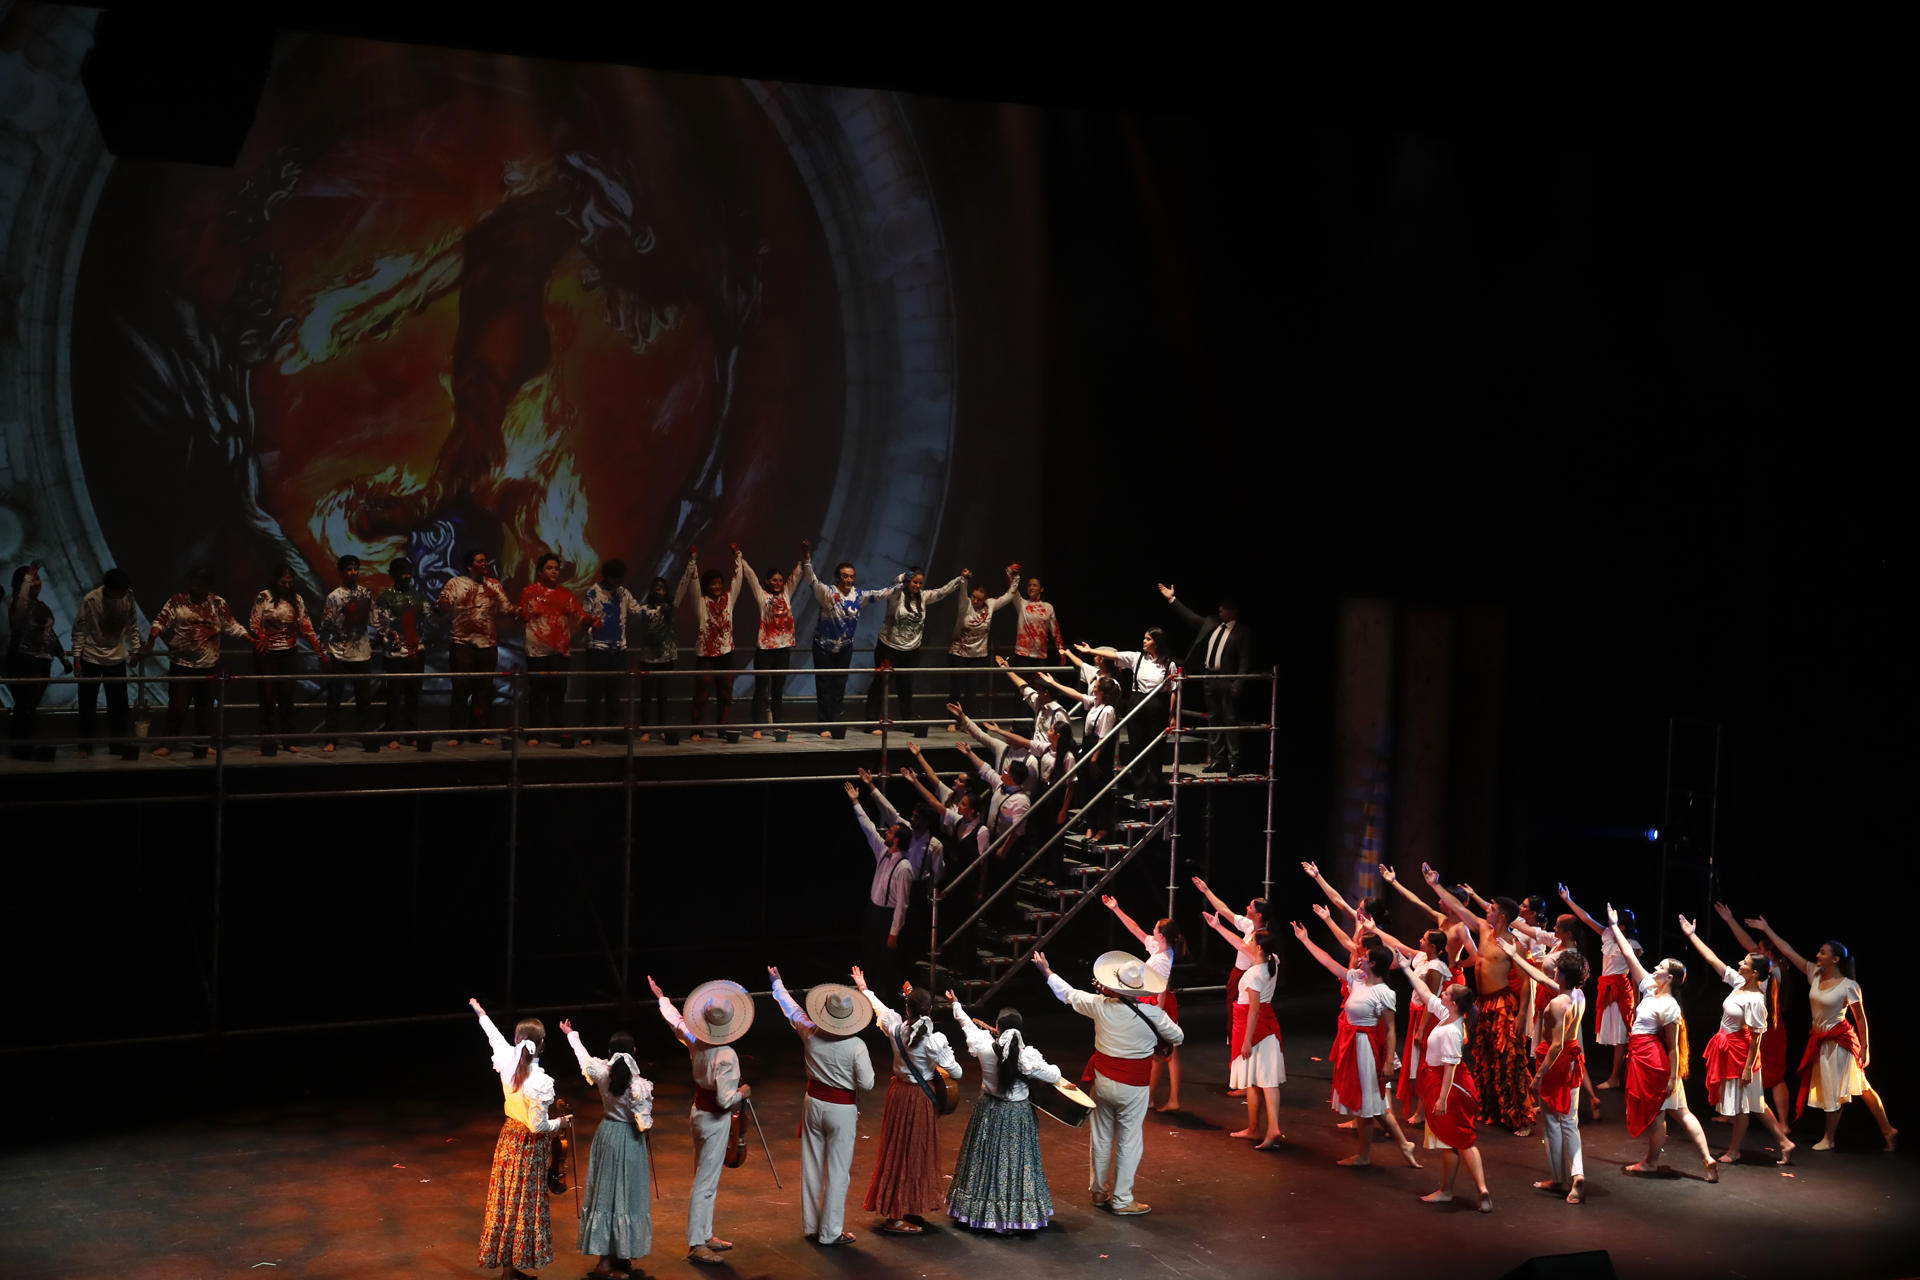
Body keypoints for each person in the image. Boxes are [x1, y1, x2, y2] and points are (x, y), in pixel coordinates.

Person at [1031, 948, 1185, 1216]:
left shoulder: (1100, 1006)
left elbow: (1068, 994)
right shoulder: (1154, 1015)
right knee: (1129, 1139)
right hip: (1134, 1086)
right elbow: (1178, 1037)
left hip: (1103, 1080)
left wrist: (1047, 971)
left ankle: (1098, 1191)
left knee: (1101, 1136)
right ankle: (1123, 1199)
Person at [1745, 914, 1897, 1152]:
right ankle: (1888, 1129)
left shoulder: (1849, 985)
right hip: (1821, 1040)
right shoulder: (1813, 973)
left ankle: (1829, 1138)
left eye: (1823, 952)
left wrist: (1865, 1047)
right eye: (1819, 952)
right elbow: (1787, 949)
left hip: (1841, 1041)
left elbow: (1860, 1019)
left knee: (1836, 1089)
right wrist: (1767, 928)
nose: (1818, 955)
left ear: (1835, 959)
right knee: (1861, 1087)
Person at [1294, 915, 1421, 1167]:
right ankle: (1398, 1146)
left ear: (1373, 964)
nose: (1359, 956)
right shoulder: (1356, 979)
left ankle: (1372, 1153)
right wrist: (1305, 940)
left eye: (1365, 957)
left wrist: (1387, 1062)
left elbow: (1390, 1029)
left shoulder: (1384, 992)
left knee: (1370, 1103)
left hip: (1366, 1048)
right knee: (1369, 1103)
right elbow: (1329, 963)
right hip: (1352, 1045)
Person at [1605, 904, 1718, 1181]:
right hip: (1646, 1058)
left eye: (1661, 966)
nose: (1655, 966)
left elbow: (1673, 1046)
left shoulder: (1669, 1006)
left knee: (1660, 1115)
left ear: (1669, 978)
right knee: (1681, 1112)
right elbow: (1629, 954)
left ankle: (1652, 1162)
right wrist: (1615, 926)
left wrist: (1671, 1077)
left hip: (1655, 1063)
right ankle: (1706, 1159)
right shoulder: (1647, 988)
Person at [649, 975, 753, 1266]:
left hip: (698, 1114)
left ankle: (705, 1234)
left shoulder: (696, 1039)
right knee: (705, 1183)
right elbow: (724, 1099)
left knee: (705, 1178)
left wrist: (662, 997)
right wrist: (742, 1093)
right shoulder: (726, 1054)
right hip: (715, 1118)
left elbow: (676, 1021)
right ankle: (697, 1242)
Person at [767, 966, 874, 1247]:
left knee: (812, 1166)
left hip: (813, 1103)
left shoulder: (810, 1033)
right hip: (841, 1109)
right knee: (838, 1171)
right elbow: (868, 1083)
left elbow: (792, 1010)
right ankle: (830, 1231)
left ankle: (812, 1226)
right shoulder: (856, 1045)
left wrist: (777, 984)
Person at [1425, 867, 1538, 1134]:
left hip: (1503, 1006)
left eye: (1492, 908)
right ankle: (1492, 1110)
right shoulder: (1484, 930)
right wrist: (1435, 886)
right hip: (1483, 1004)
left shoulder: (1513, 943)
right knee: (1485, 1059)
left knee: (1510, 1061)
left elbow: (1524, 982)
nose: (1487, 910)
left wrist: (1523, 1014)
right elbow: (1457, 909)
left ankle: (1519, 1117)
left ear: (1502, 916)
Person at [852, 968, 963, 1236]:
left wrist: (864, 988)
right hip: (920, 1098)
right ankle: (896, 1217)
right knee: (914, 1151)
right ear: (930, 1011)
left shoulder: (895, 1026)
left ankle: (903, 1206)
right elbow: (957, 1072)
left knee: (898, 1151)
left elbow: (879, 1009)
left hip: (899, 1094)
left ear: (907, 1007)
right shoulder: (934, 1040)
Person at [1678, 914, 1796, 1165]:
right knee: (1754, 1101)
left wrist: (1747, 1067)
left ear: (1754, 973)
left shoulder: (1755, 999)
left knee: (1745, 1104)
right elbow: (1712, 959)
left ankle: (1735, 1150)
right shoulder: (1740, 982)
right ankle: (1784, 1142)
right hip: (1729, 1047)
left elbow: (1756, 1039)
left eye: (1744, 962)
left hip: (1741, 1052)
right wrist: (1691, 935)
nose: (1739, 962)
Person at [468, 997, 573, 1279]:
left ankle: (508, 1269)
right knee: (522, 1206)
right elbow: (538, 1126)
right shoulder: (539, 1080)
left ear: (516, 1040)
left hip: (508, 1139)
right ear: (541, 1045)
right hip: (528, 1146)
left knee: (506, 1203)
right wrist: (561, 1122)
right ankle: (510, 1269)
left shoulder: (506, 1062)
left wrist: (480, 1013)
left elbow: (493, 1035)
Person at [944, 994, 1062, 1233]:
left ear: (997, 1027)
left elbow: (965, 1022)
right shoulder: (1027, 1056)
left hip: (989, 1109)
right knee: (1015, 1164)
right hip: (1018, 1116)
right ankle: (1013, 1216)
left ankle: (980, 1213)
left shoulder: (984, 1045)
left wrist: (955, 1003)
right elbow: (1055, 1076)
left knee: (985, 1160)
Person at [1392, 955, 1492, 1212]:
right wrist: (1405, 967)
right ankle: (1472, 1190)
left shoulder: (1452, 1030)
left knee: (1456, 1141)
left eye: (1446, 993)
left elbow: (1450, 1068)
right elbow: (1424, 992)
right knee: (1459, 1140)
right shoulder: (1446, 1015)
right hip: (1443, 1083)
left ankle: (1452, 1191)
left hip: (1450, 1087)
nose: (1442, 993)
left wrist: (1441, 1099)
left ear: (1454, 1002)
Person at [560, 1017, 655, 1277]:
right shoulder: (638, 1085)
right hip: (629, 1139)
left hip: (607, 1134)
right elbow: (644, 1122)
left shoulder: (603, 1073)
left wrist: (571, 1035)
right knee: (622, 1194)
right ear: (634, 1052)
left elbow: (584, 1058)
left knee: (607, 1193)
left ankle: (615, 1256)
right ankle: (606, 1262)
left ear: (610, 1053)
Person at [1200, 912, 1284, 1145]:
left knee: (1266, 1081)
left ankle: (1273, 1128)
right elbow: (1239, 943)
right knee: (1256, 1082)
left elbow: (1254, 1010)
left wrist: (1246, 1040)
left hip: (1257, 1029)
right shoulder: (1272, 961)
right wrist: (1217, 926)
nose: (1246, 941)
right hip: (1263, 1025)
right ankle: (1255, 1128)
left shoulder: (1253, 974)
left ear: (1258, 948)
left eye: (1251, 940)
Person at [146, 567, 249, 756]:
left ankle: (202, 743)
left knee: (206, 707)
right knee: (177, 706)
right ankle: (168, 743)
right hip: (182, 664)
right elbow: (162, 620)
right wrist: (153, 636)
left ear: (208, 586)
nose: (196, 588)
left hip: (208, 664)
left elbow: (232, 626)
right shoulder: (178, 601)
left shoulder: (217, 604)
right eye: (193, 584)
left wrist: (251, 640)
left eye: (200, 585)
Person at [1102, 895, 1188, 1113]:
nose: (1152, 930)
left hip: (1160, 1004)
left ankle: (1170, 1099)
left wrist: (1157, 1016)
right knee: (1159, 1056)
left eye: (1156, 929)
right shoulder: (1158, 947)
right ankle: (1149, 1098)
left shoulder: (1162, 959)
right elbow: (1136, 930)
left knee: (1168, 1054)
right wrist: (1116, 908)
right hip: (1152, 1001)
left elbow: (1160, 988)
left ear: (1161, 934)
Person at [1714, 901, 1795, 1128]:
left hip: (1761, 1025)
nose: (1754, 951)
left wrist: (1731, 921)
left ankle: (1733, 1113)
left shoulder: (1769, 972)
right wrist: (1730, 921)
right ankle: (1782, 1122)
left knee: (1744, 1069)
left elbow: (1749, 945)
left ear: (1768, 953)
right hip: (1776, 1027)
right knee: (1775, 1075)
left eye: (1759, 949)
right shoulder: (1782, 968)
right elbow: (1749, 943)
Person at [1157, 583, 1252, 774]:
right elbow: (1189, 617)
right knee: (1214, 720)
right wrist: (1172, 599)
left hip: (1228, 680)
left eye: (1224, 608)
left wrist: (1238, 683)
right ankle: (1218, 759)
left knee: (1230, 720)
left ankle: (1234, 761)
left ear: (1233, 611)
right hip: (1210, 679)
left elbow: (1245, 660)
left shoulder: (1242, 632)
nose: (1220, 610)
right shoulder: (1212, 623)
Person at [1191, 876, 1272, 1093]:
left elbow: (1242, 947)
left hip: (1248, 981)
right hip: (1238, 977)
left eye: (1251, 907)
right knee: (1234, 1027)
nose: (1246, 907)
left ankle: (1246, 1081)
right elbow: (1225, 911)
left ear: (1259, 914)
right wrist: (1206, 890)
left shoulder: (1261, 937)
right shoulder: (1248, 925)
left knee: (1241, 1027)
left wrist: (1217, 928)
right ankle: (1243, 1077)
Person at [1075, 628, 1175, 799]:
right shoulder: (1138, 658)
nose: (1144, 641)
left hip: (1157, 703)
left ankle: (1153, 786)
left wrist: (1172, 714)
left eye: (1148, 639)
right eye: (1144, 638)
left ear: (1156, 643)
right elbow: (1115, 656)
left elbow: (1174, 690)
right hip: (1137, 700)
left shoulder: (1168, 664)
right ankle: (1139, 786)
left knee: (1155, 746)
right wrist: (1090, 650)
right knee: (1136, 744)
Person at [865, 565, 965, 731]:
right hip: (889, 647)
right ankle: (871, 722)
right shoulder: (896, 594)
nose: (917, 586)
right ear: (908, 581)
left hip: (911, 651)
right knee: (880, 684)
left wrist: (960, 579)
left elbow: (942, 592)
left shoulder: (924, 597)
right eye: (914, 582)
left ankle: (907, 722)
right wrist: (904, 576)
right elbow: (895, 581)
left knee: (906, 687)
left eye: (920, 583)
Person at [1561, 883, 1640, 1089]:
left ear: (1622, 926)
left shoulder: (1632, 946)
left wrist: (1637, 1004)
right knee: (1613, 1034)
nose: (1608, 923)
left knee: (1621, 1035)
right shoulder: (1607, 935)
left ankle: (1615, 1078)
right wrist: (1568, 899)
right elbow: (1586, 918)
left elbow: (1636, 976)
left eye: (1614, 921)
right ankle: (1614, 1076)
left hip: (1620, 990)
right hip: (1606, 989)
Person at [807, 555, 899, 732]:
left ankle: (834, 723)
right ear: (837, 577)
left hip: (845, 647)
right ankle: (824, 725)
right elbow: (812, 580)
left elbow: (881, 594)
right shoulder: (827, 593)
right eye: (845, 576)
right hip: (823, 646)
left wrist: (901, 584)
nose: (848, 579)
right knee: (824, 685)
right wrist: (806, 562)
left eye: (851, 576)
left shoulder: (859, 595)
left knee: (839, 686)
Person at [1528, 949, 1591, 1202]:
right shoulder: (1578, 995)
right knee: (1570, 1121)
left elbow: (1555, 1045)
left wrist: (1539, 1076)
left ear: (1564, 974)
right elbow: (1542, 980)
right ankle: (1577, 1173)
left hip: (1556, 1063)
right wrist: (1515, 956)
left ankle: (1559, 1179)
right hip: (1573, 1061)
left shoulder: (1557, 1003)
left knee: (1553, 1124)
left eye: (1557, 970)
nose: (1553, 972)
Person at [438, 550, 516, 745]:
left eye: (485, 561)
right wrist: (444, 604)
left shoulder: (494, 585)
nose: (484, 564)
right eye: (480, 561)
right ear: (469, 566)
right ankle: (455, 734)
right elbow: (442, 604)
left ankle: (479, 733)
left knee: (484, 690)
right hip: (461, 644)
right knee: (461, 689)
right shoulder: (456, 583)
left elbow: (507, 608)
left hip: (488, 645)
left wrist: (519, 611)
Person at [519, 553, 593, 746]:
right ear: (540, 571)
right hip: (536, 651)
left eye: (556, 568)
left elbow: (578, 614)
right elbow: (522, 616)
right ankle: (534, 734)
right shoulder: (529, 591)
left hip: (560, 652)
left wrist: (588, 620)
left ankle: (555, 732)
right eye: (549, 568)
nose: (554, 571)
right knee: (537, 694)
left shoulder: (566, 594)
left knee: (558, 694)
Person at [848, 781, 915, 997]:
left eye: (891, 832)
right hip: (874, 911)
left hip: (888, 917)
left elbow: (902, 905)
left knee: (891, 962)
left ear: (897, 840)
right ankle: (873, 994)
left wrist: (894, 933)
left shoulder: (903, 867)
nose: (885, 832)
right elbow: (867, 827)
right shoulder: (883, 852)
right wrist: (856, 802)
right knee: (871, 955)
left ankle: (906, 996)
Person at [249, 563, 325, 753]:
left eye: (290, 582)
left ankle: (288, 740)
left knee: (287, 697)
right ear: (276, 581)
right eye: (283, 582)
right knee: (267, 698)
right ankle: (268, 740)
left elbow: (307, 627)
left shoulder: (296, 600)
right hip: (267, 654)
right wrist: (262, 637)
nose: (287, 586)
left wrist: (320, 652)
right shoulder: (263, 597)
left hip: (289, 652)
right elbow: (254, 622)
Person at [71, 567, 146, 758]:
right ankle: (85, 746)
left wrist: (136, 649)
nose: (120, 594)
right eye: (117, 591)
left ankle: (117, 744)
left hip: (116, 656)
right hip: (91, 656)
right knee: (87, 704)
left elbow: (132, 625)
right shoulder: (91, 600)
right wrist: (77, 659)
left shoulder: (128, 597)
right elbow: (80, 629)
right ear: (108, 588)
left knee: (119, 705)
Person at [677, 546, 744, 738]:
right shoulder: (701, 603)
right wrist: (693, 561)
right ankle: (696, 730)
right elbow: (693, 583)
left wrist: (737, 556)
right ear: (707, 586)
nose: (716, 587)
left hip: (726, 654)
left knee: (725, 695)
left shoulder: (729, 599)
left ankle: (722, 729)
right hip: (705, 655)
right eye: (712, 584)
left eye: (719, 583)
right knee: (701, 695)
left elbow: (737, 579)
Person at [6, 564, 71, 759]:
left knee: (31, 705)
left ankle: (25, 745)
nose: (37, 583)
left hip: (43, 661)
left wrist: (63, 657)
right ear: (21, 583)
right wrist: (27, 580)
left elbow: (49, 634)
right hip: (24, 659)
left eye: (37, 579)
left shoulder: (41, 606)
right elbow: (21, 606)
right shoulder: (18, 604)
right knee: (24, 705)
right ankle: (20, 748)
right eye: (32, 580)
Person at [742, 545, 809, 735]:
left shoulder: (787, 593)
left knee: (778, 690)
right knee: (761, 689)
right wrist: (740, 557)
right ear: (767, 582)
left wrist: (804, 557)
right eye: (774, 580)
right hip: (765, 650)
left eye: (780, 580)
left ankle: (777, 725)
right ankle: (757, 726)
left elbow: (797, 574)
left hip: (783, 649)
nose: (778, 583)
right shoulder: (763, 596)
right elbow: (751, 578)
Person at [945, 566, 1021, 721]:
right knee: (956, 688)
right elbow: (962, 592)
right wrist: (964, 579)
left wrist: (1016, 577)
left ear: (985, 598)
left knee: (972, 690)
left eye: (979, 599)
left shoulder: (990, 605)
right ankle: (952, 720)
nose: (975, 601)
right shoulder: (965, 605)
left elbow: (1010, 595)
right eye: (974, 597)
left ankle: (967, 722)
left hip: (978, 655)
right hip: (958, 653)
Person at [373, 557, 434, 748]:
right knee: (394, 695)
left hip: (416, 652)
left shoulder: (419, 596)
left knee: (414, 695)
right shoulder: (385, 598)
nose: (406, 576)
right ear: (393, 575)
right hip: (395, 654)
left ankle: (411, 734)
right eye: (401, 572)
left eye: (408, 571)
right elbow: (378, 624)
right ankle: (392, 735)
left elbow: (430, 620)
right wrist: (392, 636)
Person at [318, 554, 376, 751]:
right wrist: (323, 653)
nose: (353, 572)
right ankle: (331, 739)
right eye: (349, 569)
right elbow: (325, 625)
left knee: (364, 700)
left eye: (355, 568)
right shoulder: (334, 596)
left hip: (362, 653)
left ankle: (365, 737)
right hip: (340, 653)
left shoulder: (366, 594)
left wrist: (388, 635)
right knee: (334, 699)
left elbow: (375, 620)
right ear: (341, 572)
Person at [580, 559, 640, 744]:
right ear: (607, 576)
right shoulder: (593, 592)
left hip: (618, 650)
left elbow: (636, 610)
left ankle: (612, 731)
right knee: (594, 693)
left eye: (620, 578)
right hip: (597, 649)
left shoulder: (623, 592)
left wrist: (655, 611)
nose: (618, 582)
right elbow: (583, 617)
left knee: (614, 693)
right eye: (615, 578)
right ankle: (589, 732)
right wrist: (593, 623)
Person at [630, 576, 677, 739]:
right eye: (656, 587)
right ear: (651, 590)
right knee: (646, 694)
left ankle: (662, 728)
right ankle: (645, 729)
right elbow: (637, 622)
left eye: (662, 587)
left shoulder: (670, 608)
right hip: (648, 655)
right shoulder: (644, 609)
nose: (659, 589)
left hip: (666, 655)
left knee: (663, 695)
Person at [1010, 574, 1064, 671]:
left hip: (1040, 656)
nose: (1031, 587)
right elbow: (1013, 589)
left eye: (1034, 585)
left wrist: (1061, 651)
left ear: (1041, 589)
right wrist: (1013, 575)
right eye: (1029, 585)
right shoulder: (1022, 604)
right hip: (1022, 654)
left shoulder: (1048, 607)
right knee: (1022, 685)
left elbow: (1055, 632)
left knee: (1038, 685)